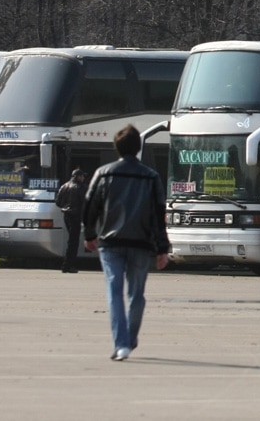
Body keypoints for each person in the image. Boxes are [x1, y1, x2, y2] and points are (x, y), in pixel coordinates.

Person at [82, 124, 170, 362]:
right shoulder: (151, 176)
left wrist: (89, 234)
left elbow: (90, 206)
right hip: (141, 242)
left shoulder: (104, 173)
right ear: (139, 146)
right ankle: (130, 340)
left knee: (114, 291)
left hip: (110, 242)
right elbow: (158, 214)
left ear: (117, 148)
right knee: (136, 294)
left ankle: (121, 343)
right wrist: (163, 248)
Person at [55, 168, 88, 273]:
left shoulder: (64, 186)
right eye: (82, 176)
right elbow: (85, 203)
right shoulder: (81, 187)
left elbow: (58, 202)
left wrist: (65, 207)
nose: (83, 178)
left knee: (71, 240)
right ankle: (69, 265)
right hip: (76, 215)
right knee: (73, 242)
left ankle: (67, 265)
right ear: (78, 176)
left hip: (67, 215)